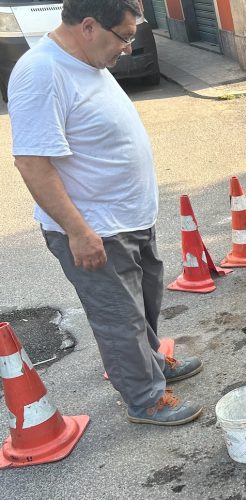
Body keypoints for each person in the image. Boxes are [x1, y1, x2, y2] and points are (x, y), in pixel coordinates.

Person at [8, 0, 202, 426]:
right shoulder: (42, 72)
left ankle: (151, 363)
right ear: (90, 26)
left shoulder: (89, 62)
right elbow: (32, 163)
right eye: (126, 36)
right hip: (95, 229)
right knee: (120, 320)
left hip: (129, 219)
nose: (129, 48)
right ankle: (145, 399)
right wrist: (78, 232)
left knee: (143, 307)